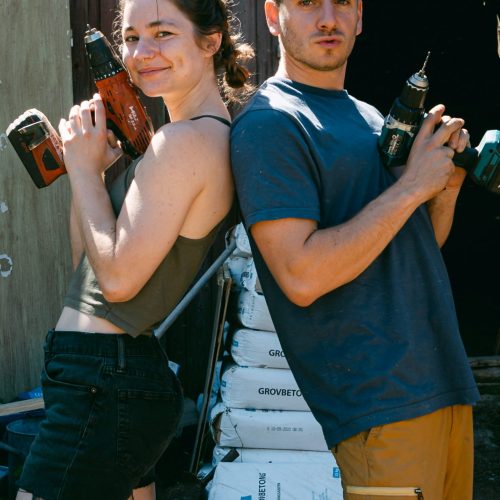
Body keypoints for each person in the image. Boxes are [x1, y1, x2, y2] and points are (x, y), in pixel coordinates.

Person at [230, 1, 479, 499]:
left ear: (360, 16)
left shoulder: (368, 118)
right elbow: (300, 276)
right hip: (381, 407)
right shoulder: (271, 124)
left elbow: (413, 248)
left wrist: (444, 185)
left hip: (443, 388)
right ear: (274, 16)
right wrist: (410, 186)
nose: (327, 18)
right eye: (306, 4)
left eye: (342, 2)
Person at [17, 1, 252, 499]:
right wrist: (93, 174)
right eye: (130, 37)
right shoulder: (191, 137)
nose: (142, 53)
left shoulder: (185, 142)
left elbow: (119, 280)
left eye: (163, 33)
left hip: (103, 379)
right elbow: (91, 265)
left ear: (211, 42)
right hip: (110, 372)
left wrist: (80, 169)